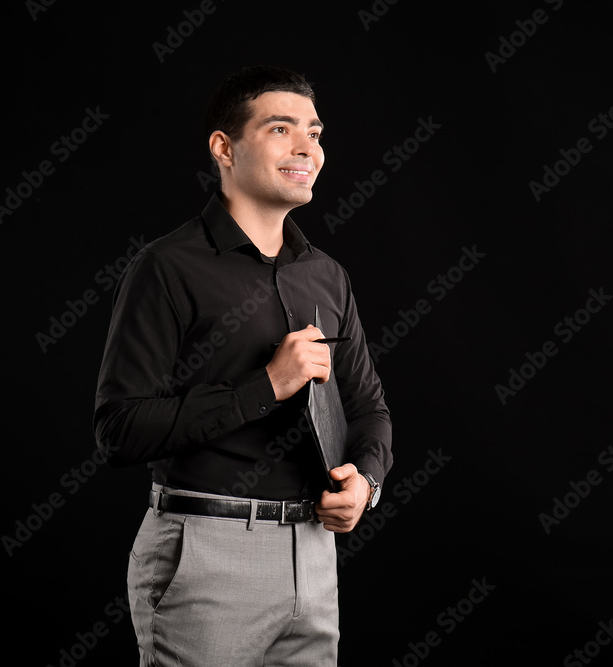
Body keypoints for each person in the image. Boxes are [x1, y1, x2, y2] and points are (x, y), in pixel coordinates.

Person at [93, 65, 393, 666]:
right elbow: (119, 431)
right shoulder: (168, 268)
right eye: (281, 129)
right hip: (207, 555)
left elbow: (368, 410)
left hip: (312, 556)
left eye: (315, 131)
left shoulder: (327, 275)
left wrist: (367, 482)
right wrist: (266, 387)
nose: (307, 147)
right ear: (223, 148)